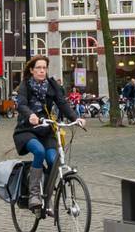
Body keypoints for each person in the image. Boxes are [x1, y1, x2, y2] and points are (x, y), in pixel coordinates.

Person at [14, 55, 84, 213]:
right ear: (32, 70)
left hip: (46, 130)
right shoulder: (25, 85)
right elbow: (21, 104)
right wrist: (30, 115)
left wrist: (75, 118)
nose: (41, 71)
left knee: (53, 161)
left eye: (44, 68)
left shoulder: (52, 85)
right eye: (38, 68)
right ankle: (34, 195)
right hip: (27, 130)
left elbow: (62, 103)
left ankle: (47, 197)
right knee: (39, 151)